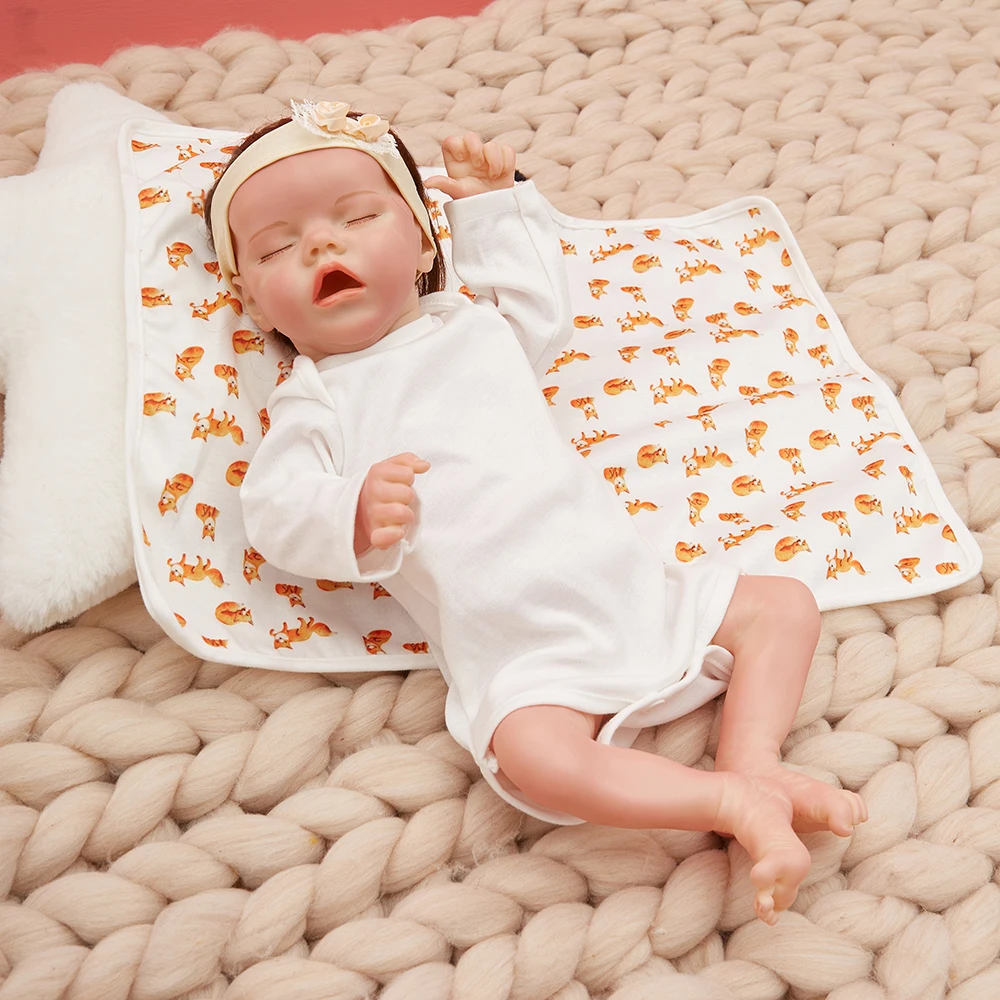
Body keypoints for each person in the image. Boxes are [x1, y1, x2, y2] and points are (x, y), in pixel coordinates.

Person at [205, 99, 867, 925]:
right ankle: (724, 802)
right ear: (254, 303)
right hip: (523, 654)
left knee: (783, 604)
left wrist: (490, 206)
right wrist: (351, 510)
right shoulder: (314, 401)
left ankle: (754, 759)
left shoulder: (475, 327)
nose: (320, 245)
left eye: (358, 216)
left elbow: (540, 300)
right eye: (277, 247)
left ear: (424, 244)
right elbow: (275, 508)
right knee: (536, 760)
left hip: (639, 588)